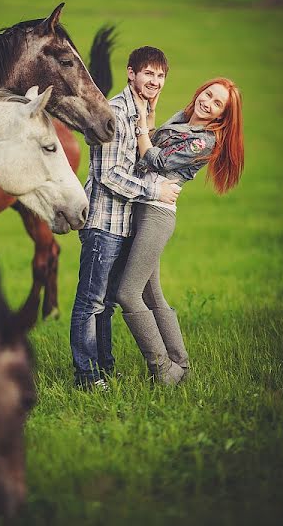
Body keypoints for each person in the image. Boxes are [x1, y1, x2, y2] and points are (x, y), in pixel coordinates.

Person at [116, 77, 244, 384]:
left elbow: (157, 160)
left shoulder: (206, 140)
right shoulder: (181, 118)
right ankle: (182, 369)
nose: (208, 102)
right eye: (208, 94)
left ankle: (163, 369)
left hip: (156, 216)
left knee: (127, 294)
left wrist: (143, 129)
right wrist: (150, 113)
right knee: (152, 295)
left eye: (217, 104)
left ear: (221, 116)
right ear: (200, 89)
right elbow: (153, 144)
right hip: (144, 206)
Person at [70, 46, 180, 389]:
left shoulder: (141, 115)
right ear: (131, 73)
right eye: (149, 73)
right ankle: (87, 377)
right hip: (103, 224)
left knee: (107, 305)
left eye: (161, 75)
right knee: (90, 302)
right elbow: (109, 175)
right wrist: (155, 192)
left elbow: (141, 164)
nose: (156, 81)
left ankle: (105, 369)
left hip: (124, 224)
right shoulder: (115, 112)